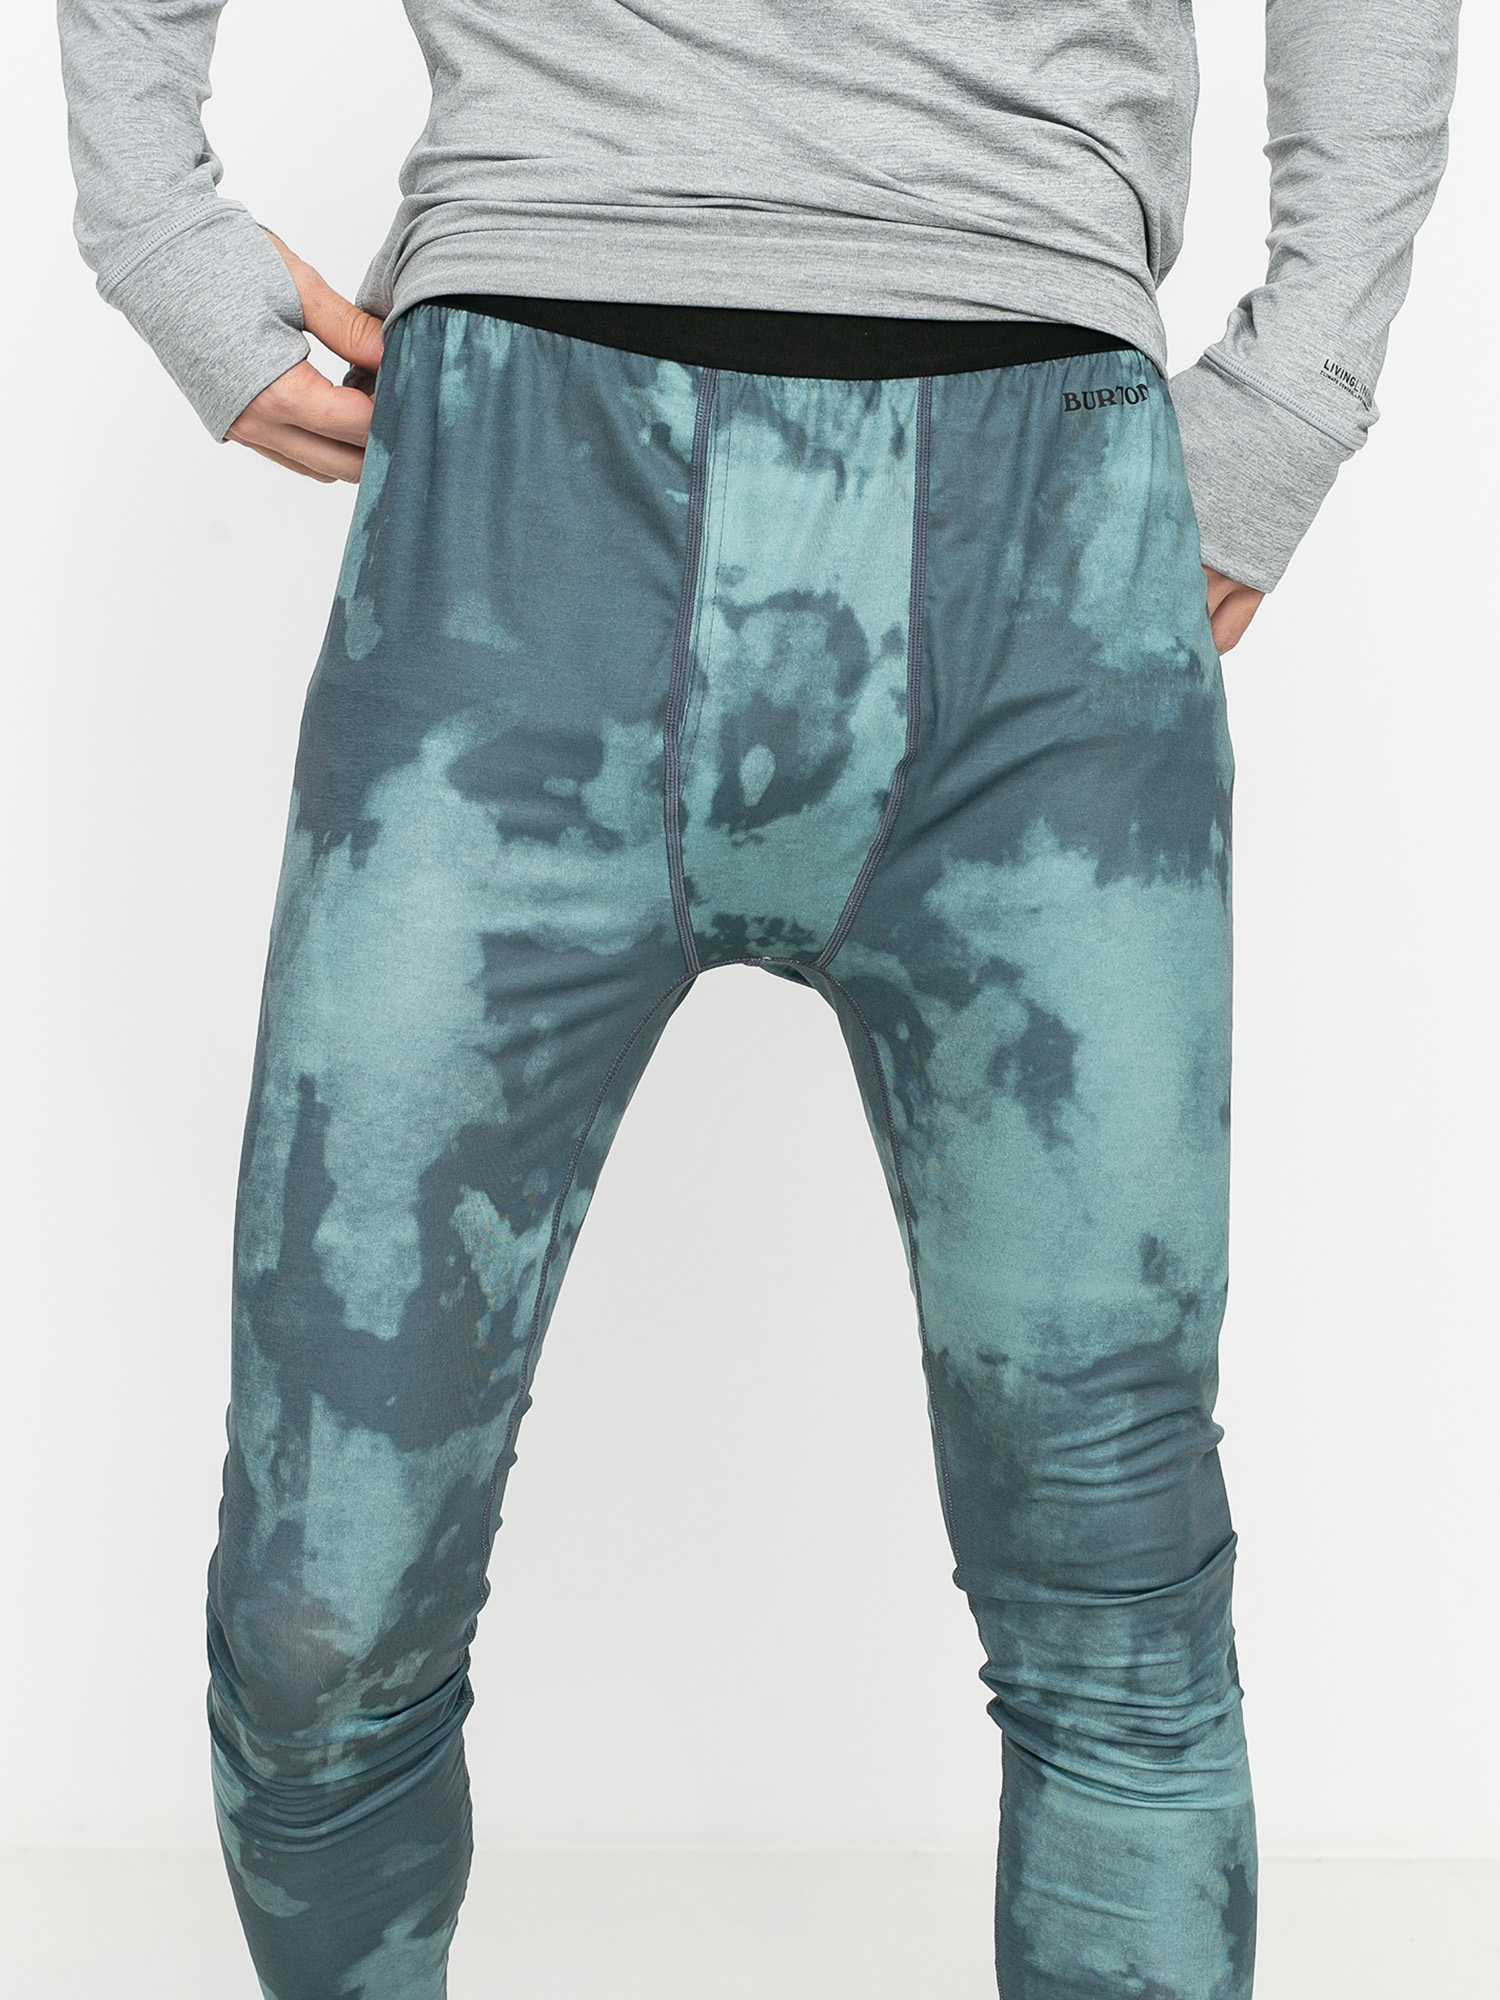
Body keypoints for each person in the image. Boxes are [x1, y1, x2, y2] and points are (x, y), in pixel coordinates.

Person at [56, 5, 1460, 1996]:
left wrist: (1301, 387)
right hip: (517, 501)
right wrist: (151, 219)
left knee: (1119, 1592)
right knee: (316, 1625)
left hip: (1044, 522)